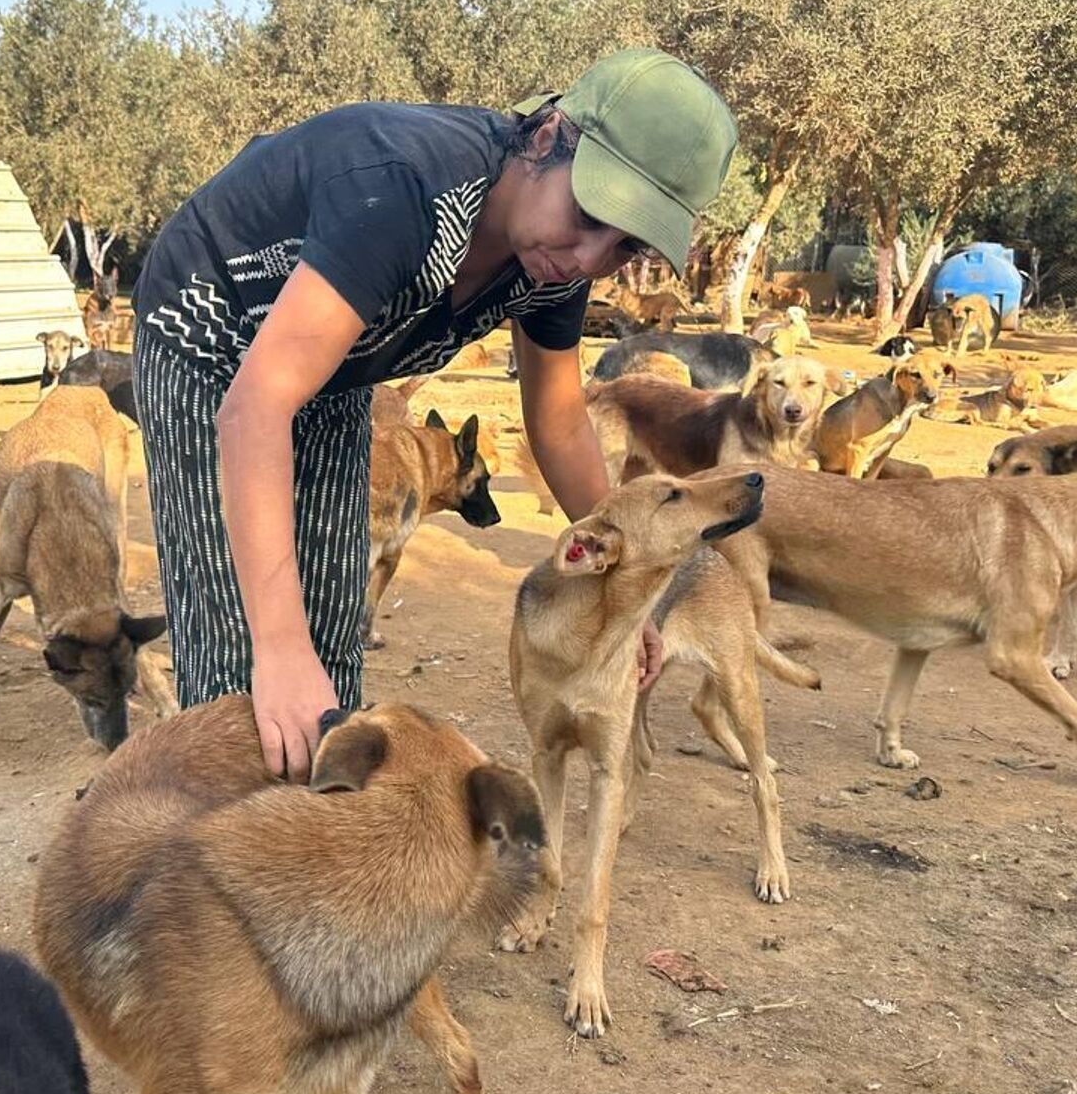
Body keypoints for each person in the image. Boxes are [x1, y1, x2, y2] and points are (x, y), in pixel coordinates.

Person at [131, 47, 738, 780]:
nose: (587, 258)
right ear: (547, 136)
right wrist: (280, 647)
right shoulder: (404, 190)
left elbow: (560, 423)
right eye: (591, 215)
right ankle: (209, 858)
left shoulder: (553, 264)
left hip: (330, 371)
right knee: (245, 662)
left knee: (330, 642)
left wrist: (625, 578)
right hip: (212, 339)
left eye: (625, 247)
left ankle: (305, 841)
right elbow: (255, 405)